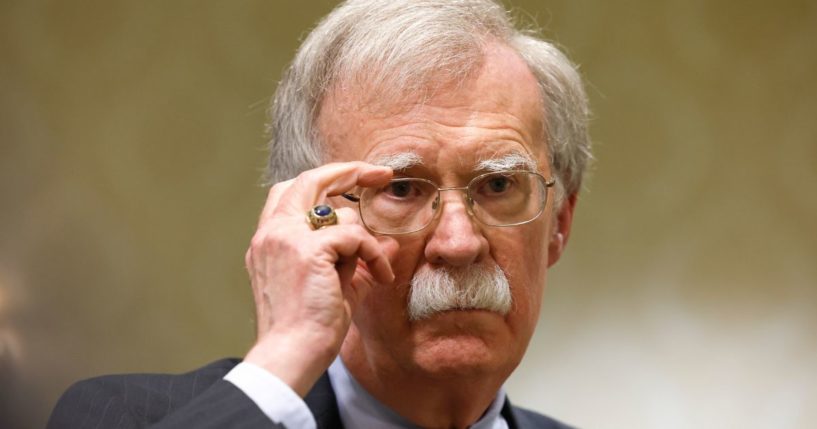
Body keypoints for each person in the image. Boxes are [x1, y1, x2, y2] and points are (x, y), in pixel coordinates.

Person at [48, 0, 591, 428]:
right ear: (312, 222)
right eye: (401, 188)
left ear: (559, 225)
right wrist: (285, 356)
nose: (458, 243)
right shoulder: (118, 416)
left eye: (498, 184)